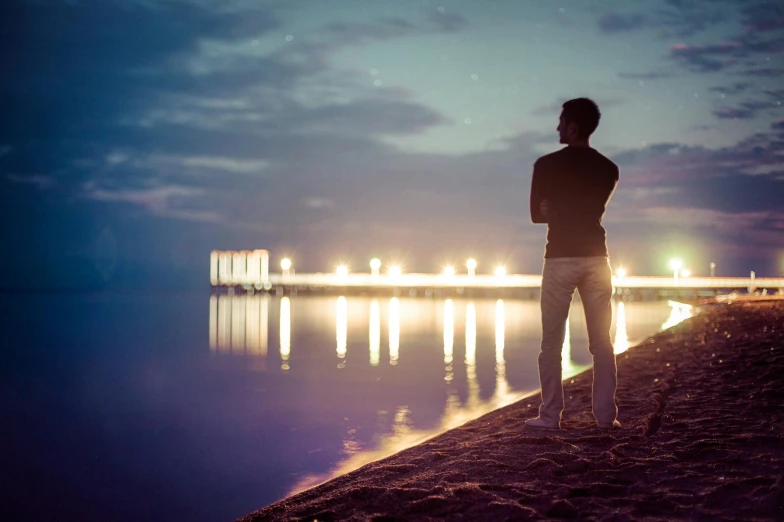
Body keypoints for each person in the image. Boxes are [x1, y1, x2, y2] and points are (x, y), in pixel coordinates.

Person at [525, 97, 621, 431]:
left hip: (561, 258)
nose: (557, 127)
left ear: (573, 126)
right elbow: (591, 208)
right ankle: (606, 419)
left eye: (561, 121)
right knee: (602, 343)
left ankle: (550, 417)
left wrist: (556, 208)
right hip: (597, 258)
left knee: (551, 343)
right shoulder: (609, 169)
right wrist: (569, 207)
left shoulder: (546, 165)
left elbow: (537, 214)